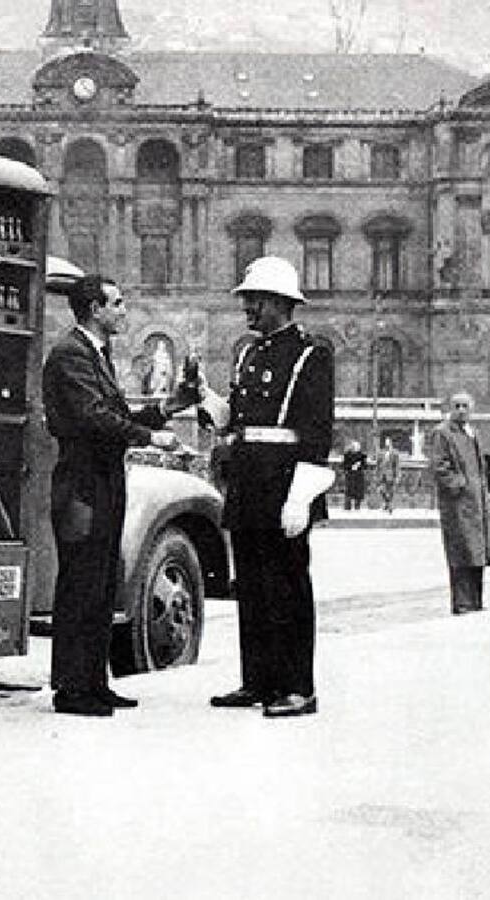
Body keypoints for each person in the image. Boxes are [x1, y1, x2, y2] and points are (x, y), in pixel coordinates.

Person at [41, 274, 196, 717]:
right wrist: (153, 438)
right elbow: (94, 419)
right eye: (118, 303)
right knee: (81, 583)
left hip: (101, 482)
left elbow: (117, 413)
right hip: (82, 485)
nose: (125, 311)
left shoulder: (93, 354)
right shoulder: (72, 355)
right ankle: (72, 690)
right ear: (95, 308)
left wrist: (170, 407)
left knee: (103, 580)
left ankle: (94, 682)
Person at [200, 257, 334, 718]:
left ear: (280, 303)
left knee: (288, 585)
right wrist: (204, 397)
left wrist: (301, 495)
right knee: (253, 585)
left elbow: (316, 433)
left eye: (254, 301)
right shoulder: (247, 353)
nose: (247, 309)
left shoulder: (310, 355)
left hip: (284, 482)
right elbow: (236, 422)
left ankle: (298, 687)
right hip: (248, 481)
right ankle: (257, 680)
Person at [429, 392, 490, 614]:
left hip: (478, 502)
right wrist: (458, 485)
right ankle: (462, 602)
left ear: (471, 409)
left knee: (478, 552)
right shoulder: (443, 433)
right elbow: (439, 466)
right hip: (458, 504)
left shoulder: (473, 433)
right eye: (457, 406)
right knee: (461, 551)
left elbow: (483, 465)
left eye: (465, 406)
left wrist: (485, 490)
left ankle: (476, 600)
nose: (461, 410)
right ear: (450, 408)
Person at [341, 440, 367, 510]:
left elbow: (365, 466)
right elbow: (344, 465)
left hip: (359, 476)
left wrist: (359, 465)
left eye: (358, 447)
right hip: (350, 475)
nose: (356, 448)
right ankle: (347, 507)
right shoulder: (347, 455)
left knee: (358, 492)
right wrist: (351, 466)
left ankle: (357, 506)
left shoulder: (362, 456)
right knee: (349, 492)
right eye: (354, 447)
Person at [378, 437, 401, 513]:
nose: (387, 444)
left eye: (388, 442)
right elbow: (378, 464)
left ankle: (389, 504)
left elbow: (397, 465)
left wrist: (397, 475)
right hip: (382, 474)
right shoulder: (381, 453)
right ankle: (387, 503)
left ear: (391, 443)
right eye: (385, 443)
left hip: (391, 474)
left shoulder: (395, 453)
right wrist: (377, 473)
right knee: (381, 489)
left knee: (390, 490)